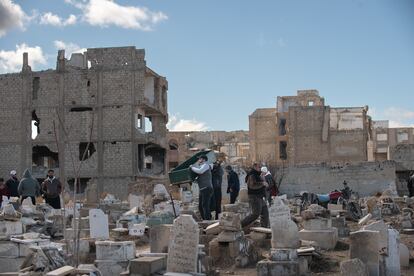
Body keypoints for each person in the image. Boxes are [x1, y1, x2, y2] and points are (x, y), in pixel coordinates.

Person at [241, 163, 269, 228]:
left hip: (260, 196)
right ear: (254, 167)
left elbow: (262, 184)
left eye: (260, 167)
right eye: (259, 167)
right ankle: (240, 225)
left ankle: (264, 228)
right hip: (254, 197)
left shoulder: (258, 174)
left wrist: (263, 182)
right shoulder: (252, 175)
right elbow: (252, 185)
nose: (260, 168)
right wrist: (262, 183)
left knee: (265, 212)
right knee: (255, 214)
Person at [190, 155, 213, 220]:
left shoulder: (205, 165)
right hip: (202, 189)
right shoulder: (201, 167)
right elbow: (200, 178)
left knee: (205, 205)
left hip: (207, 188)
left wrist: (192, 167)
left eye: (200, 159)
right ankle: (204, 219)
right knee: (201, 206)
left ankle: (208, 220)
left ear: (204, 160)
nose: (199, 161)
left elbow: (200, 171)